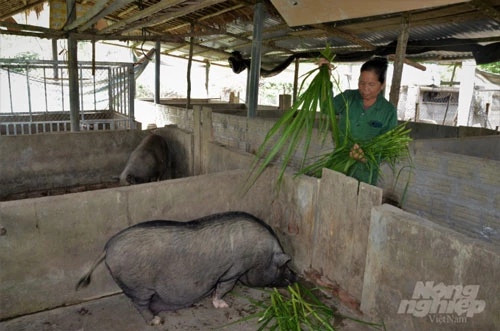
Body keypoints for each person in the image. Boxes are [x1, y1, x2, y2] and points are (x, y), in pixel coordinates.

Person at [319, 57, 398, 185]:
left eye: (371, 84)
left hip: (365, 172)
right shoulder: (349, 97)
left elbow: (389, 147)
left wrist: (365, 155)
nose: (365, 88)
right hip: (339, 162)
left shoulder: (389, 111)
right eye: (361, 83)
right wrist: (325, 78)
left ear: (382, 85)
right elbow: (326, 108)